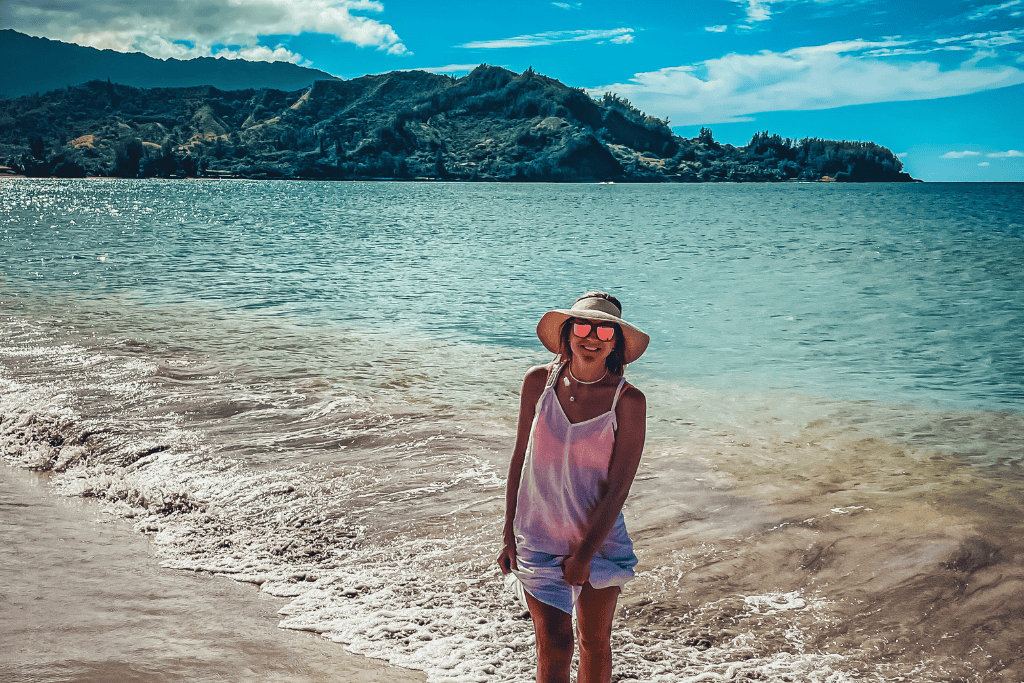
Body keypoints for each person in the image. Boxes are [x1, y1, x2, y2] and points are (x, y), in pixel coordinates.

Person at [498, 291, 649, 683]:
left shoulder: (628, 401)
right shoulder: (537, 382)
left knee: (594, 642)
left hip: (598, 539)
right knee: (555, 645)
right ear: (567, 333)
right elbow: (519, 459)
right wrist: (508, 532)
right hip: (538, 536)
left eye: (604, 329)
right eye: (583, 325)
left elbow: (619, 488)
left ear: (615, 340)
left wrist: (584, 553)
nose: (592, 336)